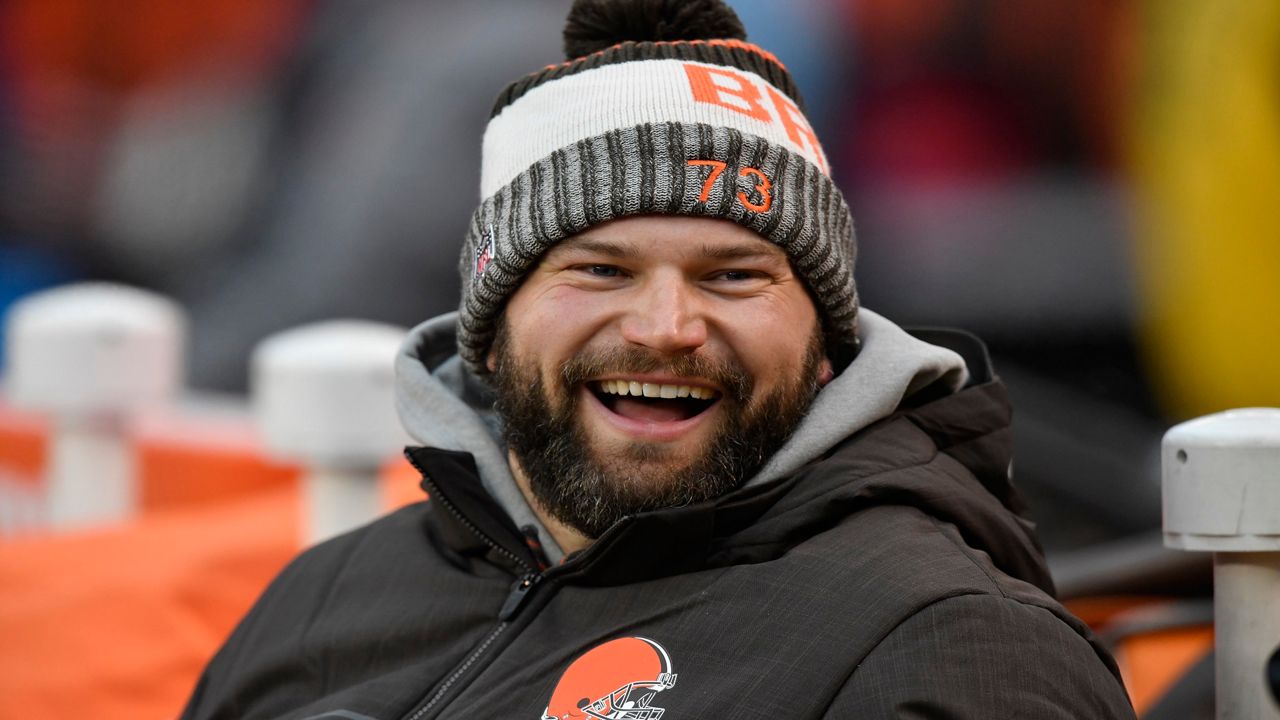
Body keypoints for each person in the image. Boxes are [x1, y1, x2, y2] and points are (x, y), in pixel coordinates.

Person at [181, 1, 1137, 717]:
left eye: (732, 276)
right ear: (493, 315)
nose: (665, 325)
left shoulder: (949, 647)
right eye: (600, 269)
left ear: (826, 344)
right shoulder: (323, 599)